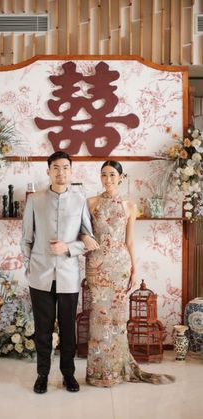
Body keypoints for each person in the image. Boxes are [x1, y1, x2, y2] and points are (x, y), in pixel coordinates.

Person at [82, 160, 175, 387]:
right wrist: (85, 239)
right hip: (96, 264)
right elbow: (81, 232)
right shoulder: (90, 203)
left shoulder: (129, 206)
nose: (107, 179)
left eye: (112, 175)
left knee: (116, 319)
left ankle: (116, 370)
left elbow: (130, 240)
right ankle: (98, 373)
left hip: (119, 265)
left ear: (121, 178)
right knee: (98, 317)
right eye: (104, 175)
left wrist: (134, 268)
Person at [20, 151, 99, 394]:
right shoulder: (35, 200)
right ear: (48, 170)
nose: (61, 172)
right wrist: (29, 267)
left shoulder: (80, 199)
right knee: (42, 330)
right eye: (56, 167)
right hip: (40, 276)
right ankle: (42, 375)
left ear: (71, 171)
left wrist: (68, 248)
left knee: (67, 329)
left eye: (66, 167)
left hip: (68, 276)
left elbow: (89, 238)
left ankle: (68, 375)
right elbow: (26, 240)